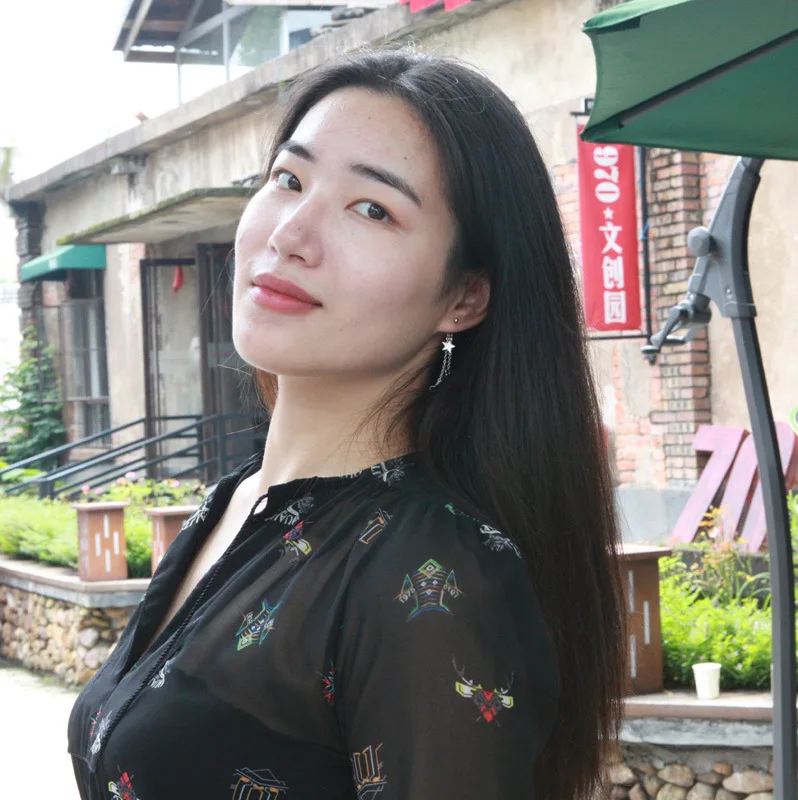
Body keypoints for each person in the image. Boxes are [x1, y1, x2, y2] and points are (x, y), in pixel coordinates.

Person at [68, 48, 626, 800]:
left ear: (464, 297)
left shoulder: (429, 575)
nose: (290, 233)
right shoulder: (237, 502)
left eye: (372, 209)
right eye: (288, 180)